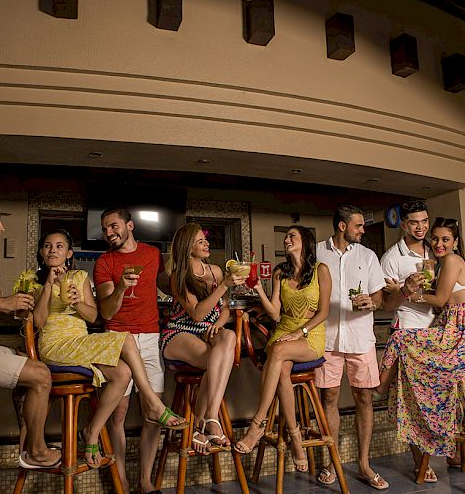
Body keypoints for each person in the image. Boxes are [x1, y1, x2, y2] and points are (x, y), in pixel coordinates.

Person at [34, 229, 187, 469]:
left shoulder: (79, 277)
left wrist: (77, 303)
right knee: (125, 339)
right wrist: (47, 286)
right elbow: (38, 323)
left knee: (123, 374)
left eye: (60, 246)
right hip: (54, 346)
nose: (53, 250)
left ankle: (91, 431)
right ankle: (154, 404)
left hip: (80, 343)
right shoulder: (31, 280)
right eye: (48, 246)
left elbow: (94, 316)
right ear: (41, 253)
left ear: (69, 253)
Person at [0, 193, 61, 469]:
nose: (1, 228)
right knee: (41, 375)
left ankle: (27, 445)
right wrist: (3, 303)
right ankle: (36, 452)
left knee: (30, 364)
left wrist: (13, 306)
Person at [93, 207, 183, 494]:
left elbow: (166, 285)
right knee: (117, 414)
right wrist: (120, 287)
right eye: (105, 228)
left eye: (114, 226)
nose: (109, 232)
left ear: (129, 225)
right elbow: (106, 312)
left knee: (152, 414)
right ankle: (121, 481)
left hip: (150, 336)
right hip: (117, 338)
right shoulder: (104, 263)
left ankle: (145, 481)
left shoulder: (152, 254)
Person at [234, 225, 331, 473]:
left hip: (311, 337)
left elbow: (324, 313)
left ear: (305, 242)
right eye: (285, 236)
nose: (286, 240)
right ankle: (295, 438)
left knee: (276, 353)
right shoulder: (280, 272)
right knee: (282, 370)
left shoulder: (321, 270)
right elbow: (275, 313)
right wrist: (257, 289)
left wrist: (301, 332)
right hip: (283, 333)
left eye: (292, 236)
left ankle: (257, 425)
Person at [378, 216, 465, 481]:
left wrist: (407, 292)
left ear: (456, 242)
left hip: (458, 330)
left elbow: (439, 299)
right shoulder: (437, 264)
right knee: (410, 355)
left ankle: (379, 386)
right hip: (449, 325)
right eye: (436, 238)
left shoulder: (452, 260)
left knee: (402, 339)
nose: (439, 243)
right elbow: (441, 304)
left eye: (445, 239)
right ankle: (443, 449)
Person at [315, 205, 388, 490]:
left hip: (360, 337)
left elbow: (378, 298)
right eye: (358, 225)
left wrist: (372, 303)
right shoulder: (318, 253)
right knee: (329, 398)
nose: (362, 230)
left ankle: (364, 464)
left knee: (364, 399)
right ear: (342, 226)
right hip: (328, 337)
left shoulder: (368, 256)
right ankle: (331, 461)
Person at [160, 223, 246, 454]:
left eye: (205, 239)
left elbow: (226, 307)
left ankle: (207, 419)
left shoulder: (216, 271)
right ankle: (207, 420)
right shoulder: (178, 276)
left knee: (227, 336)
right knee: (218, 361)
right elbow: (197, 314)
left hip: (208, 331)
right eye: (200, 241)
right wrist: (225, 285)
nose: (207, 243)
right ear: (188, 248)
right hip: (180, 332)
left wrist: (219, 323)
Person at [378, 200, 437, 481]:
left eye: (424, 221)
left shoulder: (436, 251)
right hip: (407, 332)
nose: (421, 227)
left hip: (437, 332)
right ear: (403, 224)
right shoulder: (391, 257)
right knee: (413, 401)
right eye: (414, 222)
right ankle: (421, 464)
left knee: (440, 397)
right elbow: (385, 305)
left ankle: (451, 453)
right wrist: (405, 289)